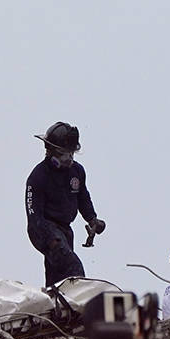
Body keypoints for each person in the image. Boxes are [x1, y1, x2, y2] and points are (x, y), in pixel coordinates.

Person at [25, 122, 106, 287]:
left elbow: (83, 198)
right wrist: (51, 241)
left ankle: (56, 306)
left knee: (57, 279)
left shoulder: (77, 172)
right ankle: (81, 300)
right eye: (64, 153)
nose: (69, 158)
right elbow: (34, 218)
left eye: (72, 153)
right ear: (51, 151)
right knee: (73, 267)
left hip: (65, 230)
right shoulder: (38, 177)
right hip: (43, 228)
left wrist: (92, 219)